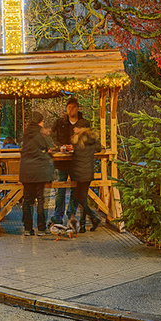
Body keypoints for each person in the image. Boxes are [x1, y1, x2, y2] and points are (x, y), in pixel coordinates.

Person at [17, 111, 55, 236]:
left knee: (27, 200)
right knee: (40, 200)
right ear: (39, 122)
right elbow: (49, 147)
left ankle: (28, 228)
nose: (43, 123)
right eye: (42, 121)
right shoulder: (40, 133)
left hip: (26, 171)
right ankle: (42, 228)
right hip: (39, 171)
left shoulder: (26, 133)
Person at [50, 96, 86, 224]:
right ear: (66, 109)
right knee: (60, 190)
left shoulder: (84, 123)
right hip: (61, 162)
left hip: (77, 162)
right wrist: (60, 147)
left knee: (75, 189)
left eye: (74, 107)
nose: (71, 109)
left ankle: (71, 214)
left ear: (77, 108)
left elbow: (88, 140)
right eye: (69, 107)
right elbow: (53, 137)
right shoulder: (59, 122)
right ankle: (58, 216)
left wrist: (75, 147)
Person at [68, 125, 105, 231]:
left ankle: (93, 218)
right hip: (88, 172)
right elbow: (100, 148)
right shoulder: (92, 140)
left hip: (78, 173)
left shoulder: (77, 140)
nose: (74, 129)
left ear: (81, 128)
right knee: (83, 197)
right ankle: (84, 225)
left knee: (79, 197)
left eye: (76, 127)